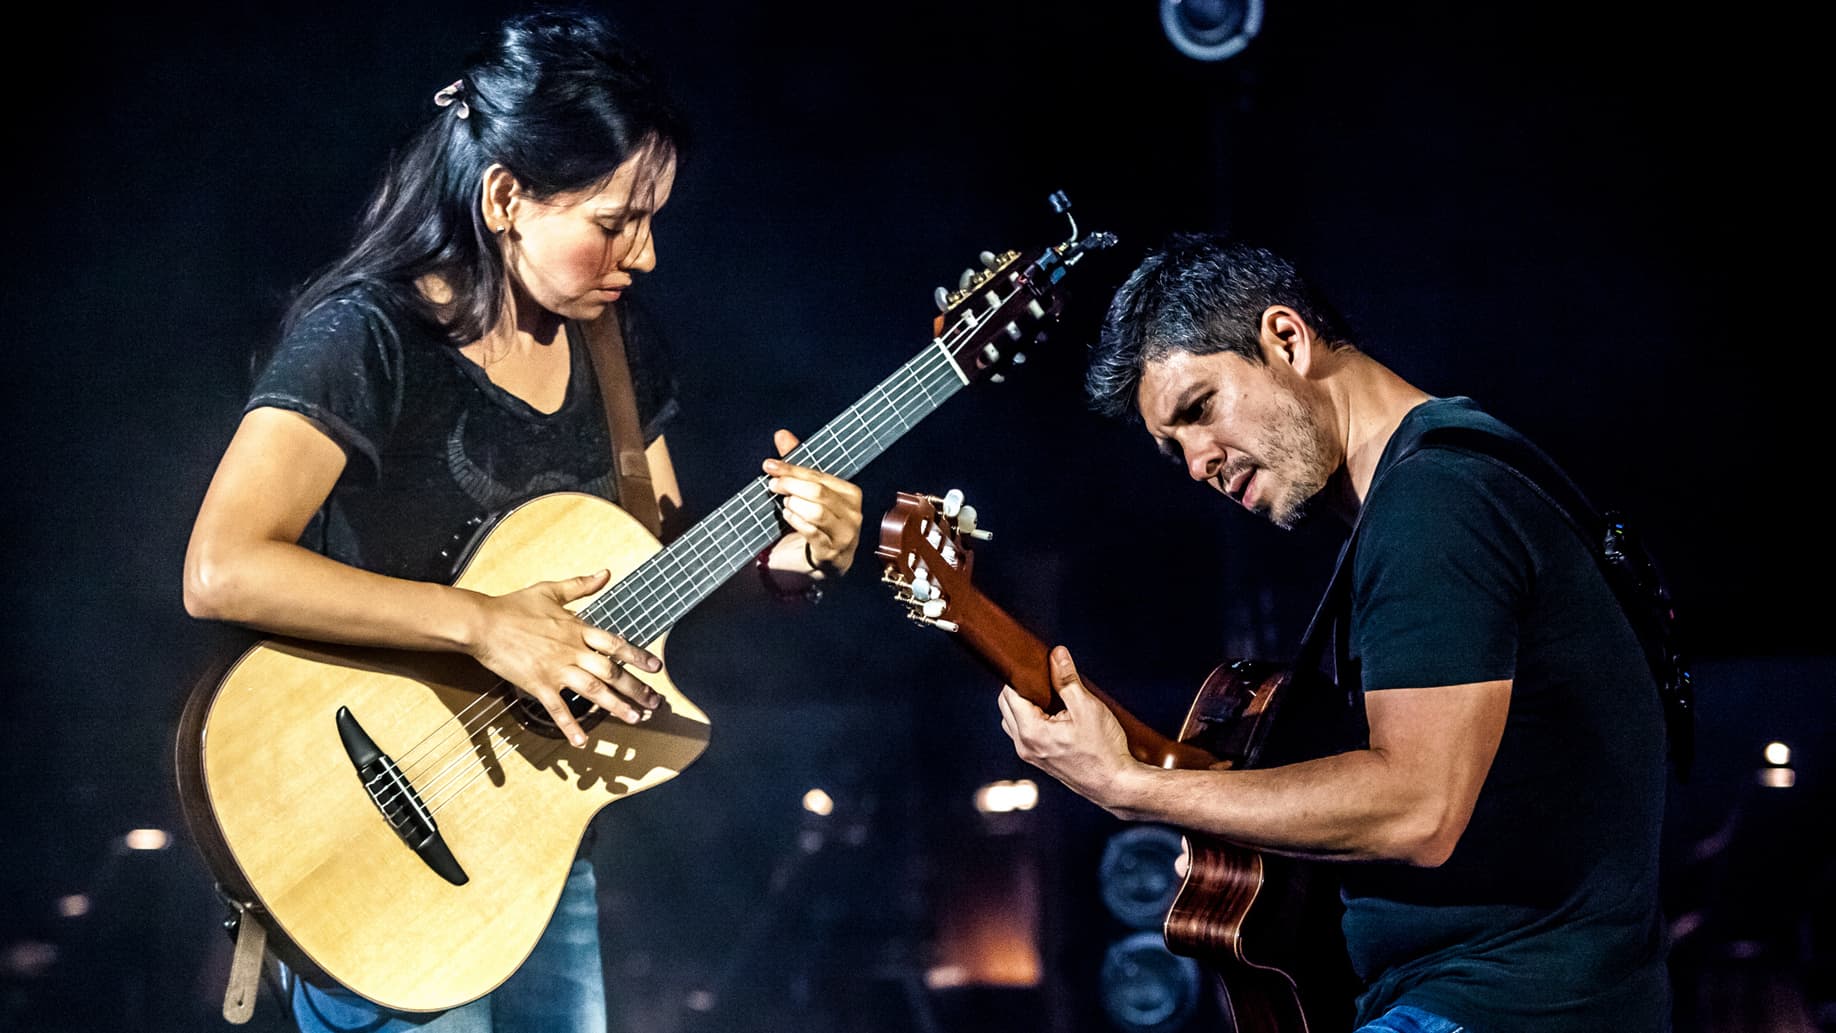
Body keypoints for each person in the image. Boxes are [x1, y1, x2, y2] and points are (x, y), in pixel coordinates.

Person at [181, 9, 864, 1032]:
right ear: (506, 196)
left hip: (531, 849)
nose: (645, 254)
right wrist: (485, 622)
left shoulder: (618, 348)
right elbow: (222, 568)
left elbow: (661, 572)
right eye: (613, 221)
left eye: (653, 218)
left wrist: (787, 561)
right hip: (360, 832)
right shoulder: (367, 336)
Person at [997, 233, 1672, 1031]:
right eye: (1172, 446)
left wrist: (1129, 786)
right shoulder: (1438, 486)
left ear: (1287, 339)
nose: (1197, 464)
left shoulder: (1434, 505)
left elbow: (1416, 806)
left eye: (1199, 408)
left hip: (1497, 1006)